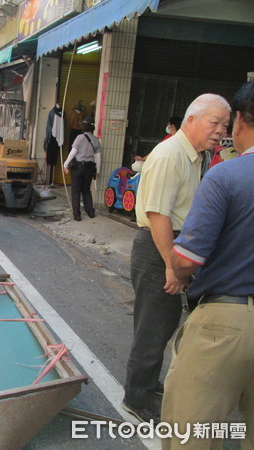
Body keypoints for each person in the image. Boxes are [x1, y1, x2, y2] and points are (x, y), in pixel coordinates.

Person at [122, 93, 231, 423]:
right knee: (152, 329)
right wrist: (172, 265)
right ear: (192, 120)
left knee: (164, 323)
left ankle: (147, 384)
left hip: (170, 248)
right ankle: (136, 398)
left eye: (225, 125)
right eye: (214, 123)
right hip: (159, 249)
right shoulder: (170, 155)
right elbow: (158, 215)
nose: (220, 131)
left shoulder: (194, 156)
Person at [161, 81, 254, 449]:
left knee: (190, 434)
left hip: (226, 322)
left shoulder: (228, 175)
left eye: (225, 123)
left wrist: (176, 267)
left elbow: (187, 258)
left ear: (240, 123)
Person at [63, 117, 101, 221]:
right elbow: (98, 157)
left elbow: (73, 152)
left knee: (76, 191)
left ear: (84, 126)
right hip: (90, 168)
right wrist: (97, 171)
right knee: (86, 190)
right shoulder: (96, 140)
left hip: (79, 167)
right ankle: (90, 212)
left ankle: (77, 215)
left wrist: (65, 164)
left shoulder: (79, 137)